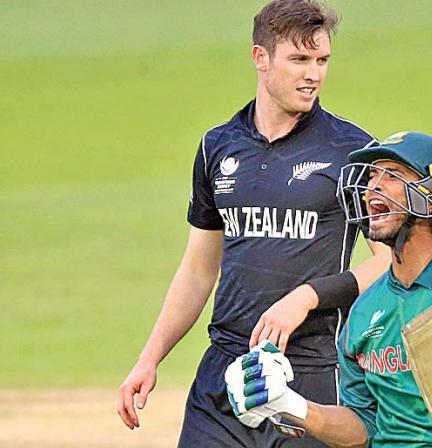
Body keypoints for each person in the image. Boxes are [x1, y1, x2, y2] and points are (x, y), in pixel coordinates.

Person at [116, 1, 391, 446]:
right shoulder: (217, 147)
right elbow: (199, 269)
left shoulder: (353, 151)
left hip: (310, 377)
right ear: (260, 58)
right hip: (223, 377)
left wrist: (308, 296)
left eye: (322, 61)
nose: (313, 75)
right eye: (299, 59)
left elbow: (389, 261)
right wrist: (149, 359)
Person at [224, 131, 432, 447]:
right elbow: (363, 426)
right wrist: (291, 404)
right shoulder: (364, 311)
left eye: (393, 176)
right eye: (372, 177)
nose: (372, 189)